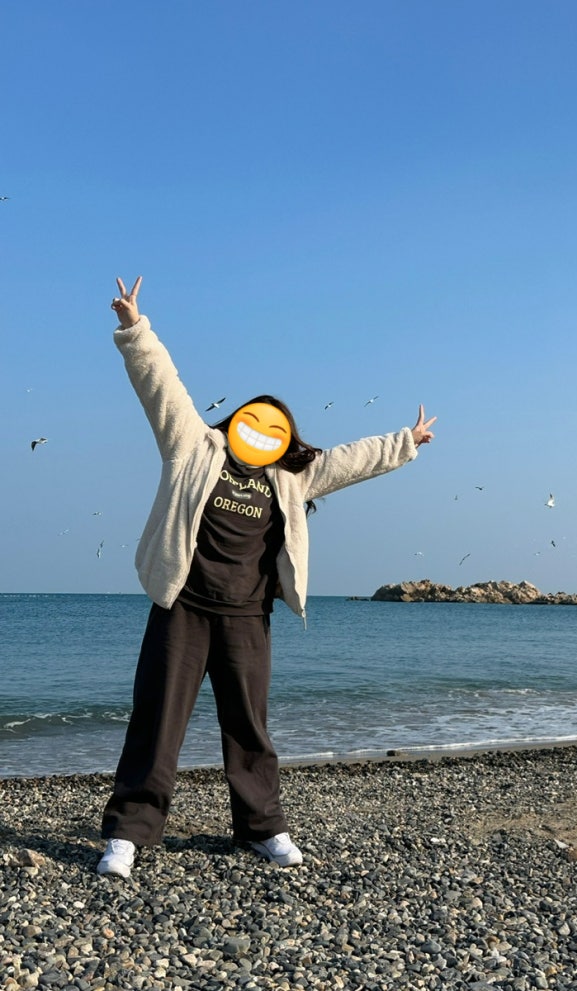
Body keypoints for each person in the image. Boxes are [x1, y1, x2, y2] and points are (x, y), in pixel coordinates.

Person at [97, 276, 436, 878]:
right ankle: (128, 833)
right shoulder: (194, 448)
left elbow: (346, 460)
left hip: (248, 616)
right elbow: (163, 388)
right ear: (236, 423)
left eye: (274, 429)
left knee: (249, 727)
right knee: (157, 721)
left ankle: (261, 828)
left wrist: (404, 442)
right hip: (182, 607)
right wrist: (135, 328)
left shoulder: (291, 477)